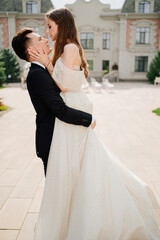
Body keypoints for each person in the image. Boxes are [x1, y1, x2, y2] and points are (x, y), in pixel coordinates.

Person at [29, 8, 160, 240]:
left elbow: (63, 85)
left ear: (61, 24)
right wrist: (47, 62)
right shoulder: (64, 48)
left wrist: (46, 64)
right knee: (79, 164)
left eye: (50, 26)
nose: (47, 31)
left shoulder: (69, 48)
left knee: (83, 164)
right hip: (70, 106)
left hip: (72, 104)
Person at [12, 28, 96, 176]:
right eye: (40, 39)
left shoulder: (44, 70)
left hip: (61, 140)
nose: (46, 39)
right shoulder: (37, 75)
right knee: (57, 193)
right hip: (52, 143)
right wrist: (88, 119)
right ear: (31, 51)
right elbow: (59, 109)